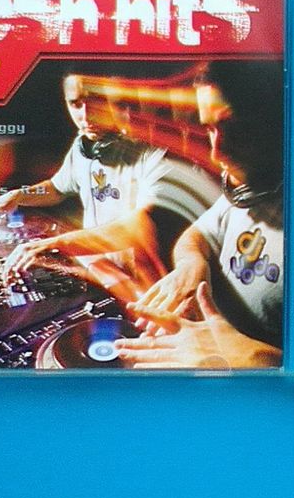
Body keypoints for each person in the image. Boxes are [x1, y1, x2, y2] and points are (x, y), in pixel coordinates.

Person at [114, 60, 284, 369]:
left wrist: (248, 357)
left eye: (236, 130)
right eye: (210, 129)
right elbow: (196, 236)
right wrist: (191, 264)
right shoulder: (251, 187)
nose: (217, 153)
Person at [0, 70, 169, 299]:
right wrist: (17, 196)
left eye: (97, 102)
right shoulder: (83, 146)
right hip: (103, 272)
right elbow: (57, 188)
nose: (86, 117)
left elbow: (137, 229)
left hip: (145, 284)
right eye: (76, 104)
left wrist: (54, 244)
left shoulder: (156, 154)